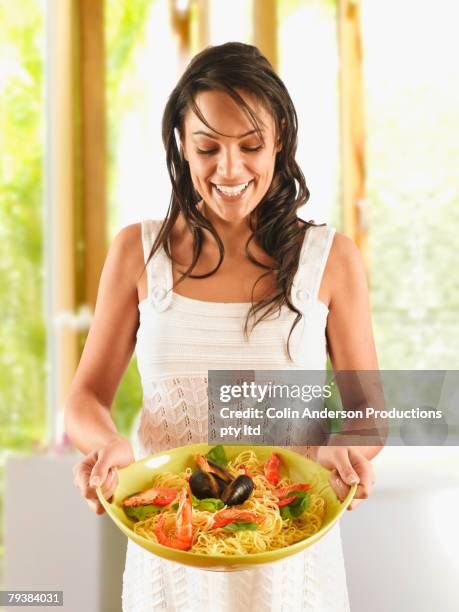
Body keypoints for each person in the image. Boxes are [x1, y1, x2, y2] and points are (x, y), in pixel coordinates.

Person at [66, 41, 381, 612]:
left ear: (279, 140)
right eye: (207, 147)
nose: (229, 170)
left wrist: (346, 448)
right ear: (181, 148)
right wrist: (106, 444)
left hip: (294, 555)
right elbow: (85, 397)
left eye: (251, 146)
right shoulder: (136, 252)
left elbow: (368, 409)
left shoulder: (331, 257)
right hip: (171, 554)